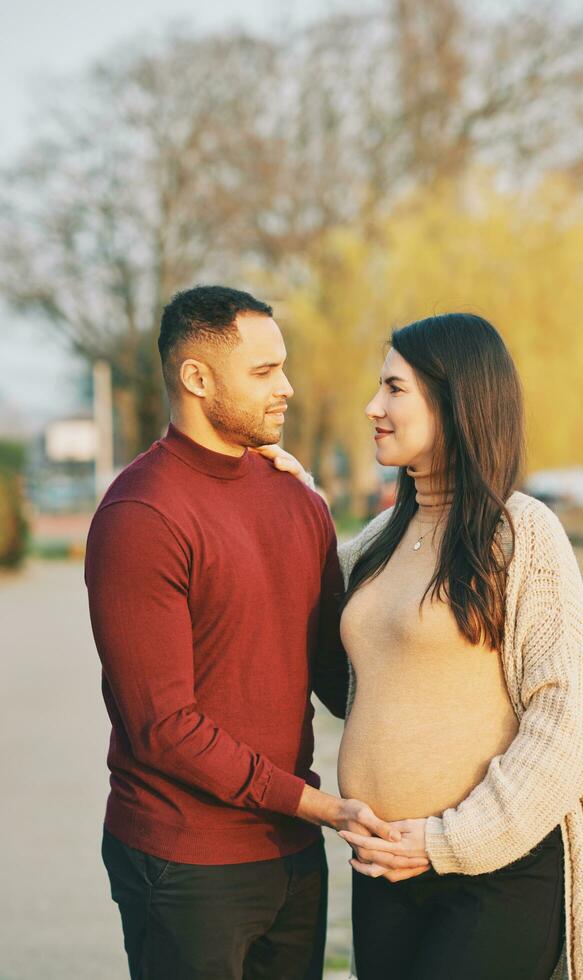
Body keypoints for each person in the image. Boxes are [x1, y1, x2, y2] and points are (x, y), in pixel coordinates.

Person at [266, 312, 583, 980]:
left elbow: (570, 719)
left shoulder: (519, 535)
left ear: (453, 399)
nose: (372, 407)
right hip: (383, 869)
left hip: (489, 876)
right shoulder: (378, 540)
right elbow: (328, 655)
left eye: (394, 388)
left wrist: (446, 841)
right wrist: (289, 503)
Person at [84, 285, 405, 980]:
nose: (286, 388)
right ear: (197, 379)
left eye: (281, 367)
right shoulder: (141, 515)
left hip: (290, 855)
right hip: (183, 862)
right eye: (263, 373)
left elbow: (336, 674)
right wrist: (319, 805)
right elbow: (164, 727)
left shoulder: (298, 500)